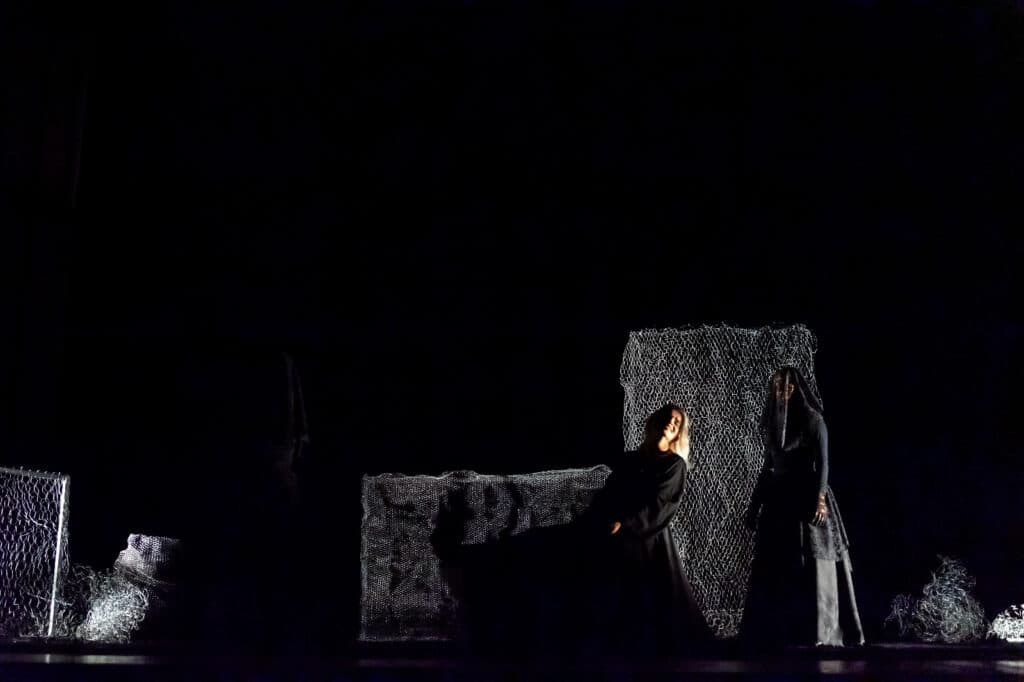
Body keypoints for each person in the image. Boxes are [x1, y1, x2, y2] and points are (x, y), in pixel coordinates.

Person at [741, 366, 865, 647]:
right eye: (776, 386)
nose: (781, 391)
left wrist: (820, 499)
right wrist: (753, 505)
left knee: (812, 562)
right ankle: (776, 629)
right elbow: (768, 467)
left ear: (797, 388)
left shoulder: (813, 420)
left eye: (786, 386)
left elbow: (824, 463)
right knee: (777, 563)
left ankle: (819, 631)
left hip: (806, 496)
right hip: (778, 500)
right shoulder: (773, 424)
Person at [579, 404, 715, 656]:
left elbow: (661, 504)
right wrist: (601, 518)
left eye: (677, 422)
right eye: (668, 417)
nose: (671, 422)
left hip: (649, 539)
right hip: (615, 534)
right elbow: (611, 492)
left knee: (653, 601)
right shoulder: (631, 459)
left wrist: (627, 523)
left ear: (679, 433)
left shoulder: (674, 465)